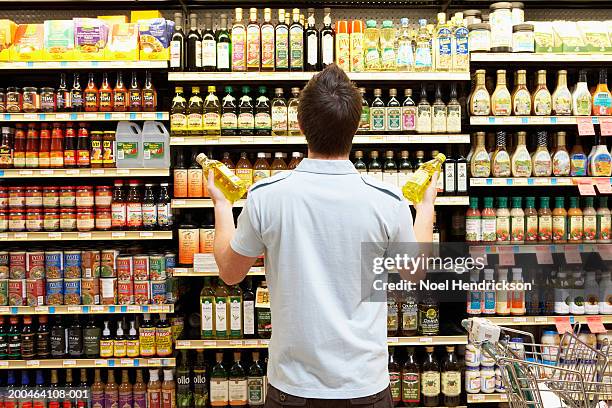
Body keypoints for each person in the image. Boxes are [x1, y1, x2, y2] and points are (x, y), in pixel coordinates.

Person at [206, 64, 437, 407]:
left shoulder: (267, 196)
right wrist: (427, 204)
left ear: (300, 126)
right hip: (365, 388)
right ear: (357, 127)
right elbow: (415, 272)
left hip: (292, 390)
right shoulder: (387, 201)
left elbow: (229, 271)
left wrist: (222, 205)